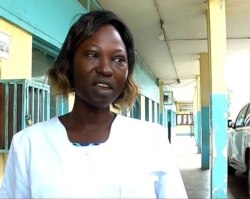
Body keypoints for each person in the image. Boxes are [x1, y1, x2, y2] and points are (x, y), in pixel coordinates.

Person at [0, 10, 188, 198]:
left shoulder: (151, 140)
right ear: (69, 64)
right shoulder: (29, 145)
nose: (106, 69)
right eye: (92, 54)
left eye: (118, 59)